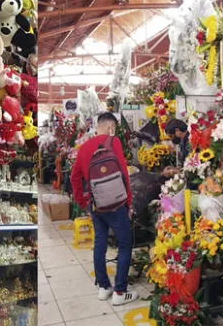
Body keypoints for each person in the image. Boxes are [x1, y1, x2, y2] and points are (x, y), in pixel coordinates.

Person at [70, 112, 139, 306]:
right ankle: (120, 291)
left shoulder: (83, 148)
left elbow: (74, 177)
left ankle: (103, 287)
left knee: (100, 242)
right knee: (125, 244)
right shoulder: (113, 141)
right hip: (117, 204)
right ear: (110, 127)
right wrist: (129, 202)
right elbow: (124, 174)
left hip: (96, 204)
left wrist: (82, 201)